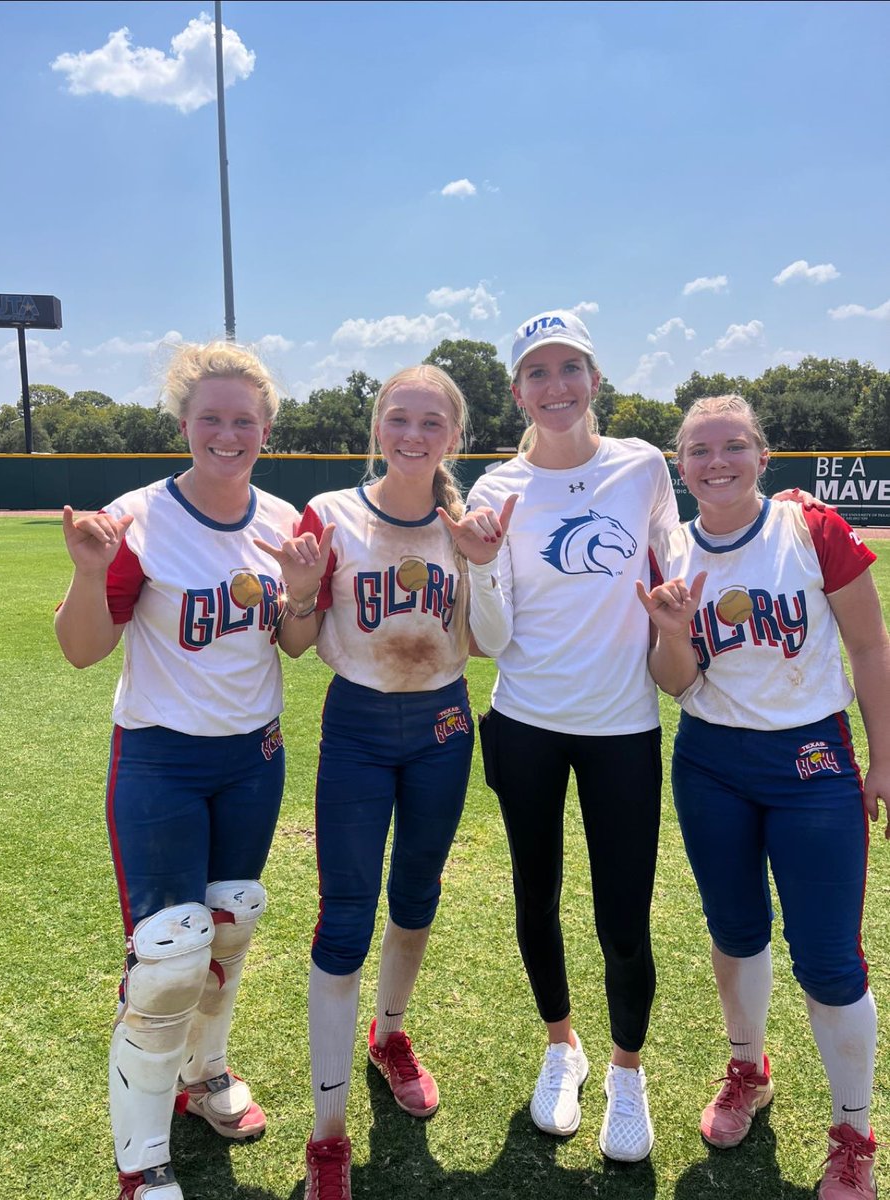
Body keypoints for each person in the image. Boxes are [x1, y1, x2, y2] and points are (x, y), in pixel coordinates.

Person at [256, 364, 513, 1200]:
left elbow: (483, 643)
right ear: (378, 427)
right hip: (360, 727)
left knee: (417, 895)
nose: (413, 434)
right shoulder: (329, 515)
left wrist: (481, 564)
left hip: (442, 726)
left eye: (431, 422)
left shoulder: (465, 524)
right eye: (399, 418)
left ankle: (390, 1034)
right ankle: (327, 1133)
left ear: (455, 435)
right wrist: (296, 593)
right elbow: (296, 644)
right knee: (344, 920)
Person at [54, 343, 302, 1200]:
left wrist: (304, 593)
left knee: (230, 926)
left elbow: (295, 642)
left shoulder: (284, 521)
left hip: (252, 757)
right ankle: (141, 1159)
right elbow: (83, 652)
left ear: (266, 429)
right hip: (161, 755)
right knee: (167, 957)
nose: (227, 434)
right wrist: (91, 574)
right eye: (211, 419)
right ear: (185, 425)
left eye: (244, 421)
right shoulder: (137, 519)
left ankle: (206, 1076)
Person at [636, 394, 890, 1200]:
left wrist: (884, 758)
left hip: (811, 758)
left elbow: (870, 644)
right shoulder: (669, 547)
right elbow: (676, 683)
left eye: (733, 446)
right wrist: (674, 632)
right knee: (736, 932)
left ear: (763, 455)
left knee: (829, 959)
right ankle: (749, 1067)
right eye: (700, 450)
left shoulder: (806, 527)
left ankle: (853, 1132)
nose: (717, 462)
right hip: (710, 760)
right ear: (681, 466)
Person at [463, 309, 678, 1162]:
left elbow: (680, 559)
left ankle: (627, 1071)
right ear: (517, 390)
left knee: (624, 917)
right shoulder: (493, 491)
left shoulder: (645, 465)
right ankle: (563, 1046)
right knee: (535, 899)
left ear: (595, 379)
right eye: (537, 373)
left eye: (569, 368)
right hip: (526, 725)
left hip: (624, 724)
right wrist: (480, 566)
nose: (555, 387)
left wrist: (782, 511)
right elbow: (494, 636)